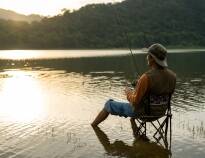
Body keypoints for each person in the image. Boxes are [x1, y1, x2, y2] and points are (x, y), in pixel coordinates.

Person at [91, 43, 176, 127]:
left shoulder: (146, 77)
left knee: (109, 104)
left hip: (144, 113)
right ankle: (136, 133)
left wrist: (128, 93)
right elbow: (159, 92)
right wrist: (139, 85)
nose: (146, 58)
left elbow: (134, 102)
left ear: (152, 59)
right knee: (138, 105)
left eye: (148, 55)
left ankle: (93, 126)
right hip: (161, 113)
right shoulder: (173, 76)